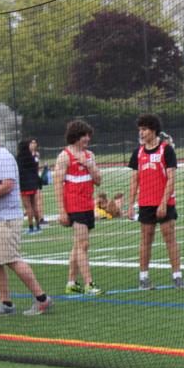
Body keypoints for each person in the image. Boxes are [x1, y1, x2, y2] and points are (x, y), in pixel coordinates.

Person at [0, 124, 51, 317]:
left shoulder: (2, 156)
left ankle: (42, 299)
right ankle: (5, 303)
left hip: (5, 219)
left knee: (12, 259)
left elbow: (7, 185)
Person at [126, 114, 184, 290]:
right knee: (146, 240)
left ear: (153, 130)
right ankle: (143, 279)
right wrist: (130, 205)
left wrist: (163, 203)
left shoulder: (166, 150)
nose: (141, 133)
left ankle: (177, 276)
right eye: (140, 130)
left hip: (165, 202)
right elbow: (134, 180)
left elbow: (171, 178)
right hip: (145, 204)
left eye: (144, 129)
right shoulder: (137, 152)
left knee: (170, 238)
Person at [53, 120, 103, 295]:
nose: (87, 138)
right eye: (84, 136)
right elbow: (57, 184)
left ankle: (71, 282)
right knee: (83, 244)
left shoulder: (90, 155)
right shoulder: (64, 156)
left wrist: (89, 164)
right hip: (74, 206)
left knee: (78, 244)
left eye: (89, 135)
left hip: (88, 205)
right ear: (75, 137)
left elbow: (98, 180)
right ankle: (89, 284)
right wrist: (62, 211)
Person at [15, 139, 43, 233]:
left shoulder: (18, 159)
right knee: (34, 205)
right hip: (33, 185)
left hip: (24, 186)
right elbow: (35, 170)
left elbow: (18, 172)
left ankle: (31, 228)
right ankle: (38, 226)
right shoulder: (31, 157)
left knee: (28, 207)